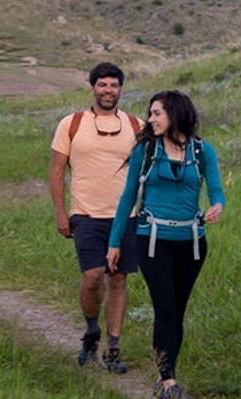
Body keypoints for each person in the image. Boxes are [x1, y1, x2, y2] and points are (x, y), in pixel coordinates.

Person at [106, 90, 225, 399]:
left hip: (193, 242)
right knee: (166, 309)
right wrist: (115, 242)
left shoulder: (203, 151)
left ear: (175, 113)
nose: (150, 119)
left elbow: (215, 188)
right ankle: (169, 382)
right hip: (153, 239)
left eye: (157, 113)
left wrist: (217, 206)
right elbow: (127, 198)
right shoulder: (146, 151)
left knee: (178, 312)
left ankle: (163, 380)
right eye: (150, 113)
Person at [49, 62, 142, 373]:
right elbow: (56, 171)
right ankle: (91, 333)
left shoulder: (135, 125)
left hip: (125, 216)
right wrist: (61, 213)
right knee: (92, 277)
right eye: (102, 85)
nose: (108, 91)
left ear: (120, 89)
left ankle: (113, 348)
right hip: (86, 214)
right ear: (92, 88)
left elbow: (149, 169)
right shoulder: (72, 124)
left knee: (118, 279)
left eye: (114, 85)